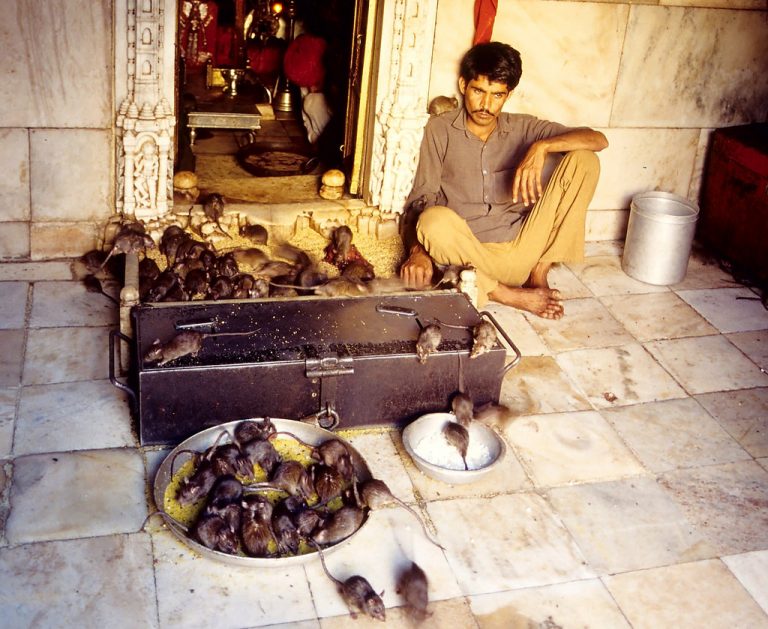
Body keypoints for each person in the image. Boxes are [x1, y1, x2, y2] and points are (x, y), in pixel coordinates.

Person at [399, 41, 608, 319]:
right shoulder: (440, 130)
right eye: (478, 91)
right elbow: (420, 200)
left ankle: (538, 273)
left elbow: (598, 139)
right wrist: (418, 252)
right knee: (432, 220)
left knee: (585, 160)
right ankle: (508, 294)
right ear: (463, 85)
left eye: (497, 95)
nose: (486, 105)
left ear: (508, 95)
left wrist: (542, 147)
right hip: (469, 256)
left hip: (523, 248)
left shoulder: (522, 127)